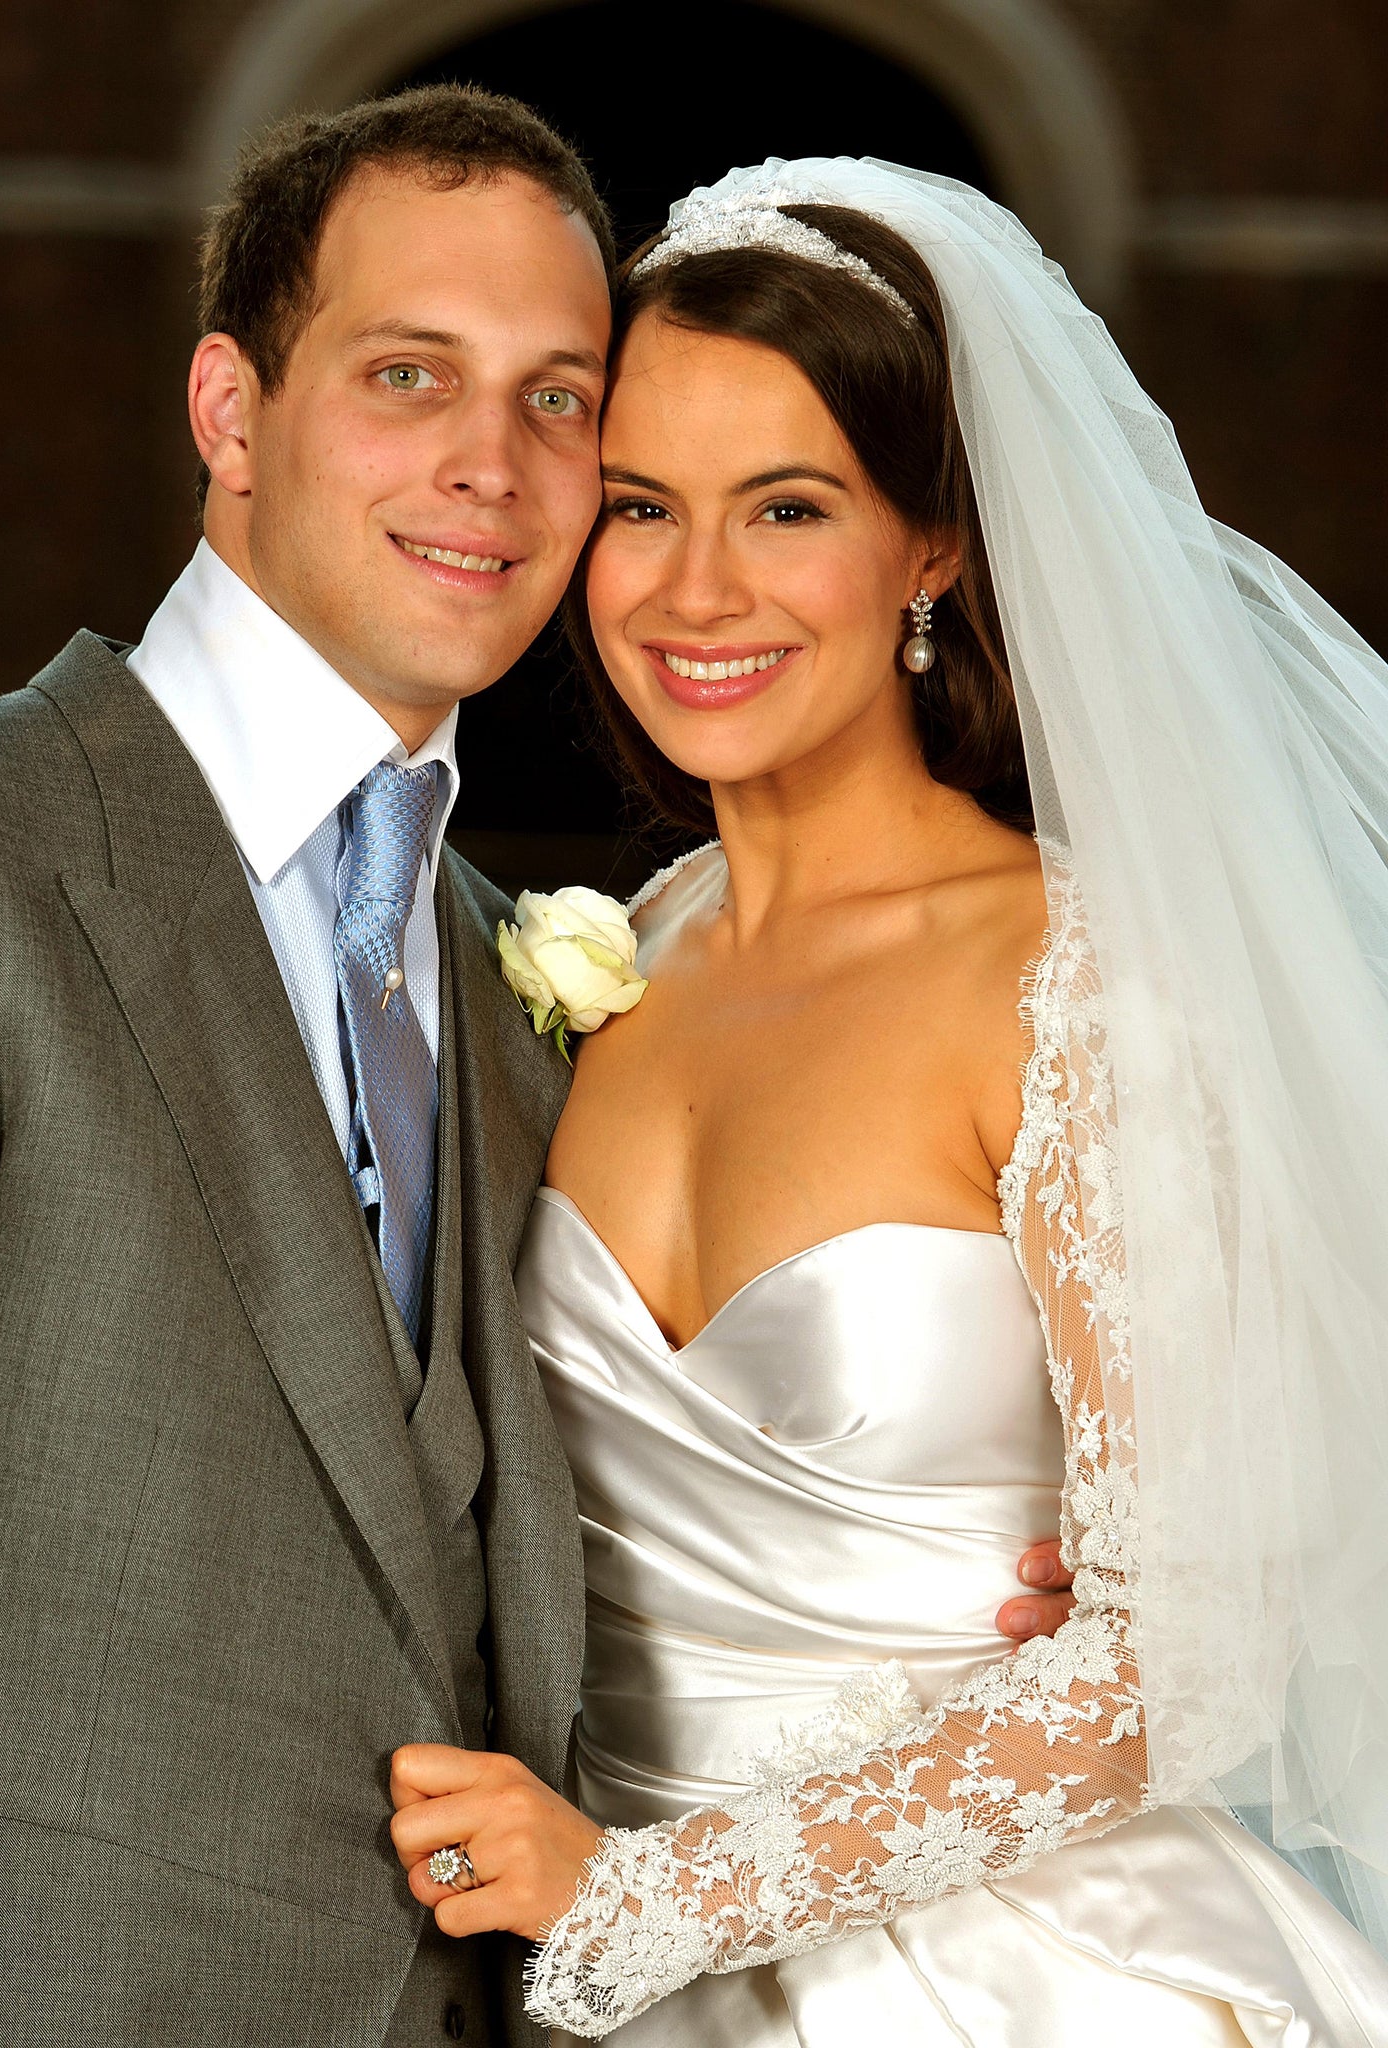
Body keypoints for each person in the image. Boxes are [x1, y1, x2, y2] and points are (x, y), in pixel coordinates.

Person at [0, 101, 1071, 2043]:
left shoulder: (516, 964)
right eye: (408, 375)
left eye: (558, 402)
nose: (490, 471)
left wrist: (1104, 1591)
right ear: (231, 412)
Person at [387, 161, 1388, 2041]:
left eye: (788, 508)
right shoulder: (611, 961)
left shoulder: (1085, 984)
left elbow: (1203, 1647)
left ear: (932, 542)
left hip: (1024, 1976)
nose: (696, 590)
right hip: (577, 1954)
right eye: (637, 509)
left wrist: (650, 1895)